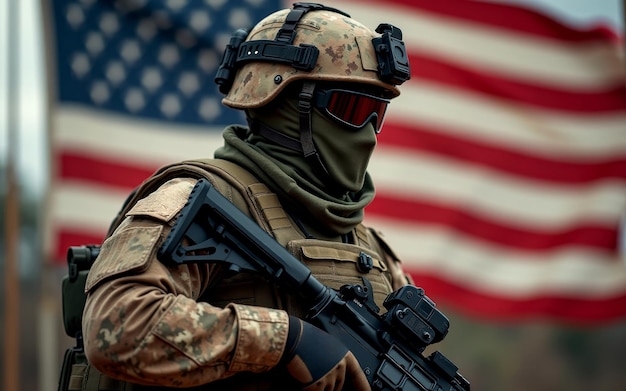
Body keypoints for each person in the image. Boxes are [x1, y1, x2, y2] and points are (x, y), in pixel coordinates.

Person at [81, 2, 413, 390]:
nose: (368, 132)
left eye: (377, 112)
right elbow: (116, 324)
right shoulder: (196, 202)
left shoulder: (372, 249)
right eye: (351, 108)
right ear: (287, 103)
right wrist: (284, 340)